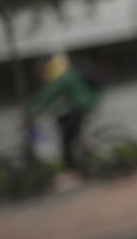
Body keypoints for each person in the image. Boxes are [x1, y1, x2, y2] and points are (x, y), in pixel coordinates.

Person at [28, 53, 100, 183]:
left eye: (43, 68)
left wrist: (32, 109)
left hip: (81, 106)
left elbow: (49, 94)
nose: (42, 72)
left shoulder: (63, 75)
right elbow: (49, 93)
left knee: (66, 139)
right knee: (68, 130)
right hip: (79, 106)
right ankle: (84, 160)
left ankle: (74, 172)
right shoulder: (63, 72)